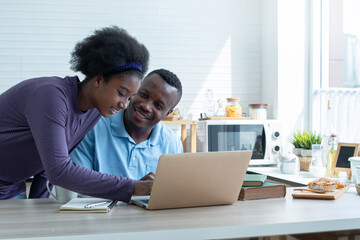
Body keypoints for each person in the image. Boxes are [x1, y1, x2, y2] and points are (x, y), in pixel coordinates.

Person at [0, 26, 152, 201]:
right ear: (98, 79)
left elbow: (46, 168)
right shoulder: (50, 96)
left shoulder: (93, 112)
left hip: (10, 187)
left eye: (130, 98)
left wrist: (37, 207)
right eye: (121, 93)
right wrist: (132, 187)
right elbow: (59, 171)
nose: (124, 105)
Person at [70, 69, 183, 180]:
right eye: (143, 95)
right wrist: (132, 190)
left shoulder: (172, 144)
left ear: (167, 113)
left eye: (158, 105)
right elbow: (76, 183)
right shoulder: (92, 126)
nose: (146, 106)